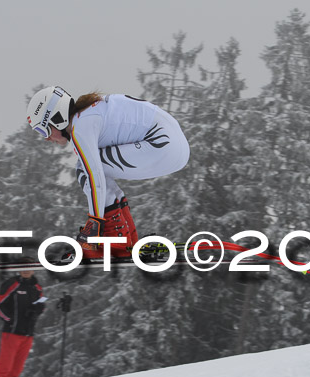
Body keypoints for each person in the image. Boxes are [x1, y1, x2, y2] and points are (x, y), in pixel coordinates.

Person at [26, 86, 190, 258]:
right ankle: (127, 239)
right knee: (91, 169)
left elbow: (94, 175)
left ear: (56, 118)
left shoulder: (81, 126)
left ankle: (116, 239)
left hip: (162, 144)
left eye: (42, 130)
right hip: (172, 145)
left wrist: (94, 224)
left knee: (84, 169)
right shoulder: (88, 114)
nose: (45, 138)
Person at [0, 258, 46, 377]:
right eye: (23, 268)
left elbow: (41, 302)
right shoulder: (12, 284)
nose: (26, 271)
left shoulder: (37, 287)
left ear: (34, 269)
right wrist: (11, 320)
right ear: (18, 269)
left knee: (16, 370)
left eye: (29, 268)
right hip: (12, 333)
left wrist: (37, 309)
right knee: (4, 368)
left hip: (28, 334)